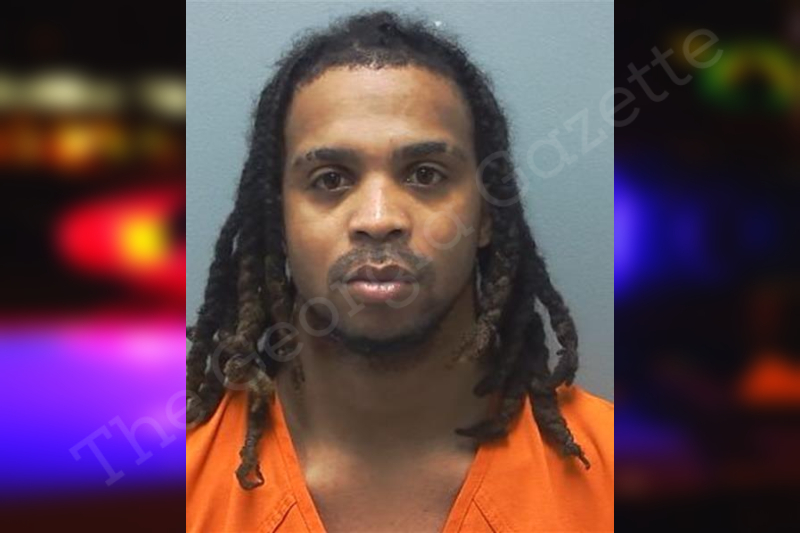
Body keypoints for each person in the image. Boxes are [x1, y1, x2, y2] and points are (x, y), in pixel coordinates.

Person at [187, 10, 613, 532]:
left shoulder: (613, 472)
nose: (378, 219)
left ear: (486, 213)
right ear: (279, 221)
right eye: (330, 179)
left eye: (425, 174)